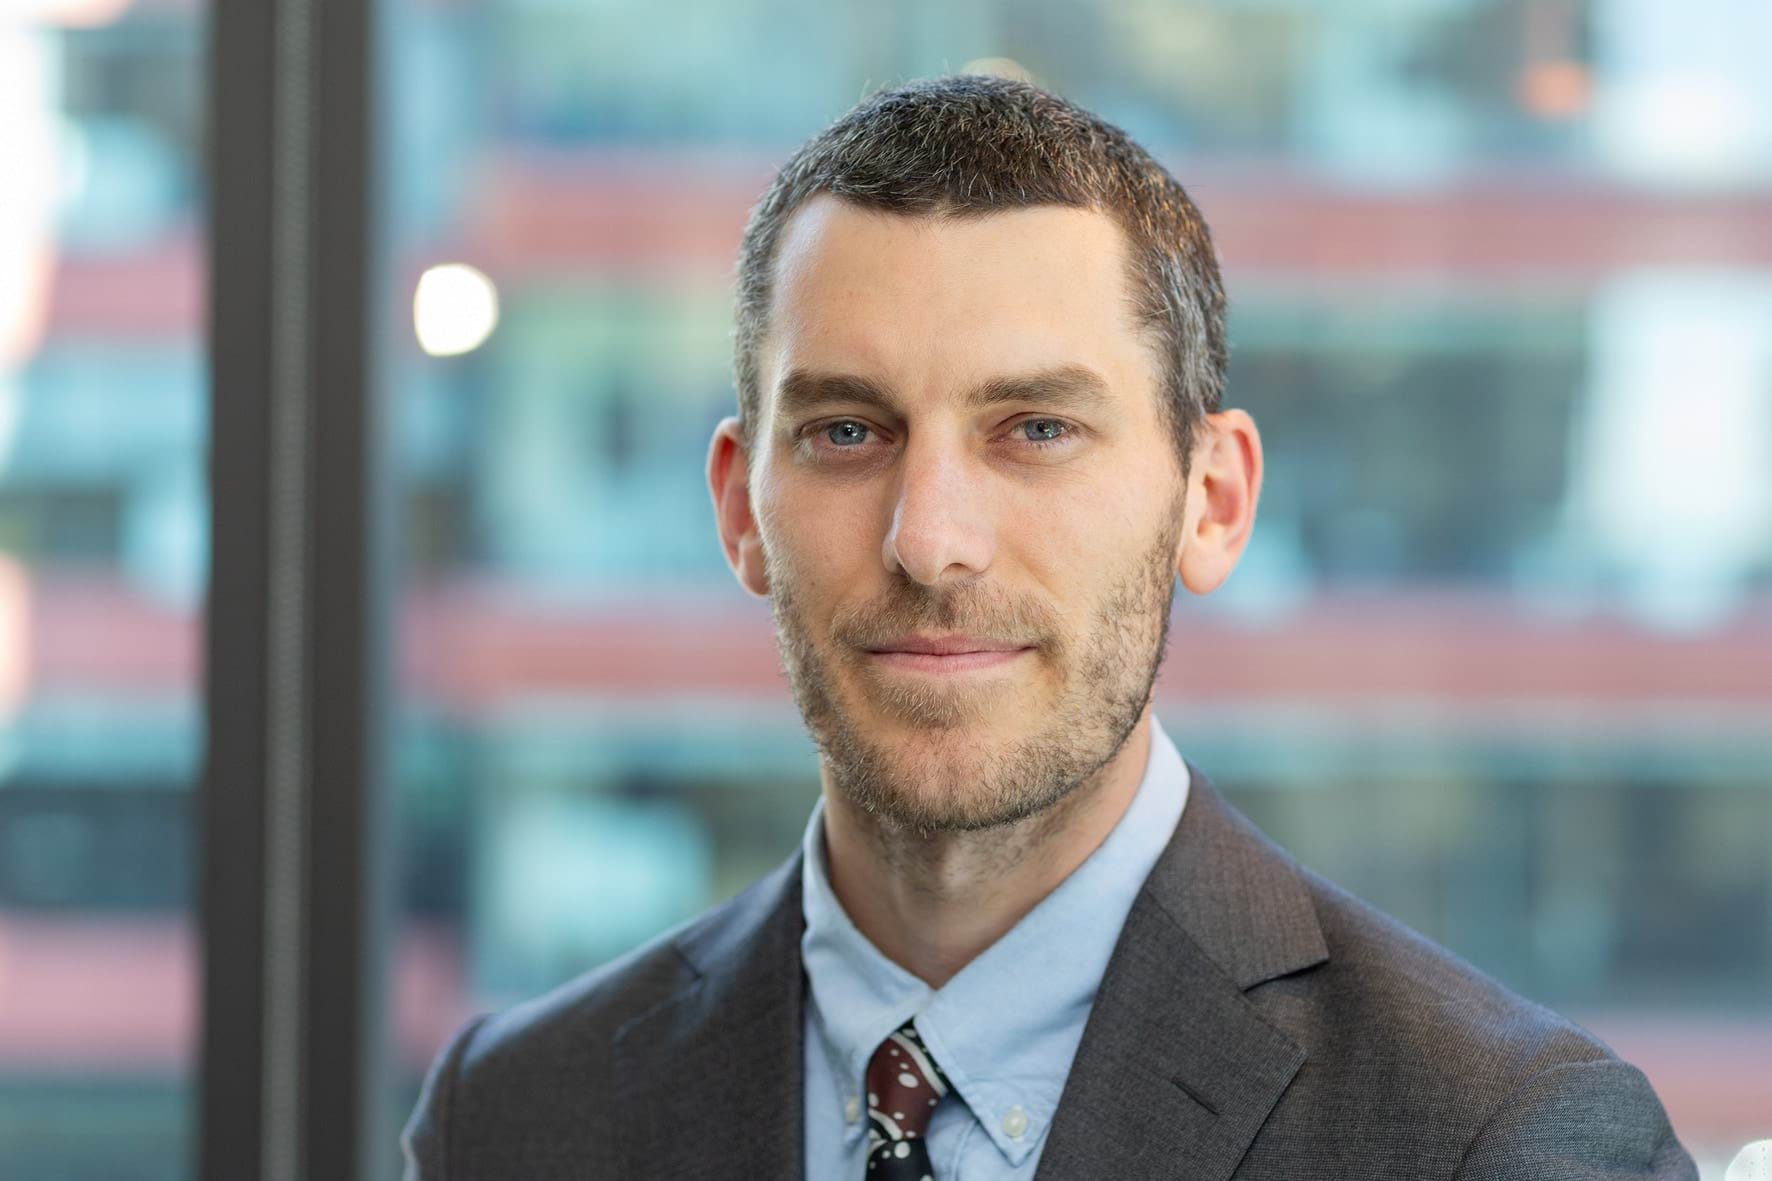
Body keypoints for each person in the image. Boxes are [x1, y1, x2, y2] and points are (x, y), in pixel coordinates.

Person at [401, 74, 1698, 1180]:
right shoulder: (514, 1120)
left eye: (1036, 430)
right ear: (742, 507)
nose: (932, 537)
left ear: (1215, 499)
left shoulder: (1497, 1140)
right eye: (849, 431)